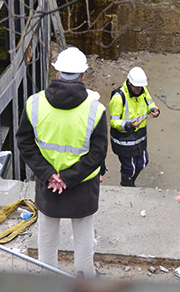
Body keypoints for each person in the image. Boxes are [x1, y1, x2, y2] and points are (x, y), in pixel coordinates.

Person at [16, 47, 107, 278]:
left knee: (47, 235)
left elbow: (25, 143)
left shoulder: (34, 104)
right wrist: (68, 177)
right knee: (84, 236)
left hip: (49, 184)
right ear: (83, 76)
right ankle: (85, 276)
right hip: (82, 185)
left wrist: (50, 174)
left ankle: (48, 278)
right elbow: (98, 153)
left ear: (56, 74)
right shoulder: (95, 110)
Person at [109, 67, 160, 187]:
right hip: (124, 139)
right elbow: (114, 122)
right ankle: (127, 185)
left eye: (141, 86)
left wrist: (153, 110)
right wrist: (128, 125)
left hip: (139, 136)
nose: (139, 89)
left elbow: (150, 103)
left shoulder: (142, 90)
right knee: (128, 168)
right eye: (136, 86)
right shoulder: (118, 97)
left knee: (143, 162)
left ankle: (130, 182)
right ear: (129, 82)